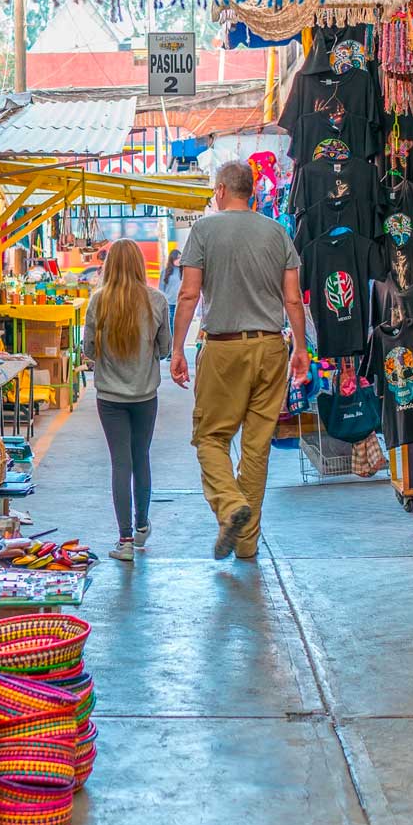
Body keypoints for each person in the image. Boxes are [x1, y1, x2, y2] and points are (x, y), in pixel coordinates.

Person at [171, 161, 306, 561]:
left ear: (220, 190)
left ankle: (230, 507)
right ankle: (246, 543)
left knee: (211, 437)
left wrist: (177, 349)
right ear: (251, 193)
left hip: (224, 348)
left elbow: (189, 294)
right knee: (256, 448)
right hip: (271, 347)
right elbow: (293, 298)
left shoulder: (204, 230)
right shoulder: (278, 232)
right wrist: (300, 348)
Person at [81, 239, 170, 562]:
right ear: (139, 264)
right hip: (145, 394)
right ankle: (142, 524)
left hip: (110, 397)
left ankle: (125, 541)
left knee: (121, 463)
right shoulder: (157, 300)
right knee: (140, 456)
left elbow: (88, 349)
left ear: (109, 266)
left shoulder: (98, 300)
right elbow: (166, 349)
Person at [160, 249, 183, 336]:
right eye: (177, 258)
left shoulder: (184, 272)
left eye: (180, 258)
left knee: (180, 327)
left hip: (180, 304)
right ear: (172, 259)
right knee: (170, 327)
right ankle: (171, 344)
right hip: (169, 304)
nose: (179, 260)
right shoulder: (165, 272)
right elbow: (161, 289)